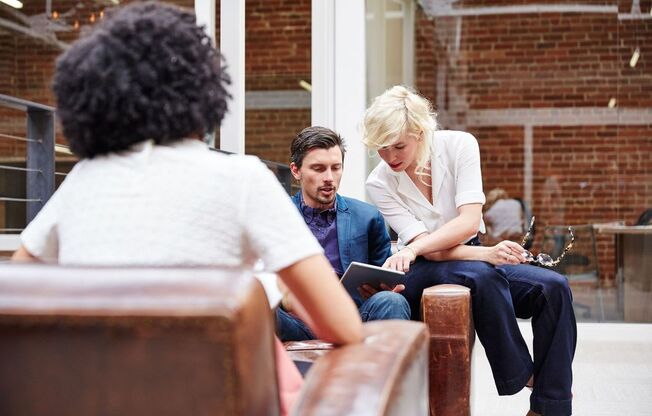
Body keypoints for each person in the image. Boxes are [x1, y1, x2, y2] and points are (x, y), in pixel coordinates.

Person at [10, 3, 362, 414]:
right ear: (205, 89)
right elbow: (343, 325)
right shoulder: (243, 177)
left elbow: (18, 298)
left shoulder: (84, 179)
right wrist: (279, 286)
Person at [361, 85, 576, 416]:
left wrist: (485, 254)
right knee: (482, 275)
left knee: (554, 287)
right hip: (422, 268)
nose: (390, 157)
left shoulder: (460, 145)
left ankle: (549, 407)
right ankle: (522, 373)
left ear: (419, 131)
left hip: (469, 255)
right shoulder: (379, 182)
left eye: (398, 146)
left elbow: (468, 222)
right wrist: (483, 254)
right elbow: (430, 253)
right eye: (381, 149)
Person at [275, 126, 410, 342]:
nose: (329, 177)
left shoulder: (367, 217)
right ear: (296, 171)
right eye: (318, 169)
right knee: (260, 309)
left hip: (354, 317)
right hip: (295, 322)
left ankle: (386, 376)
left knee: (391, 301)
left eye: (336, 168)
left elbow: (384, 274)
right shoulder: (277, 216)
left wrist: (383, 289)